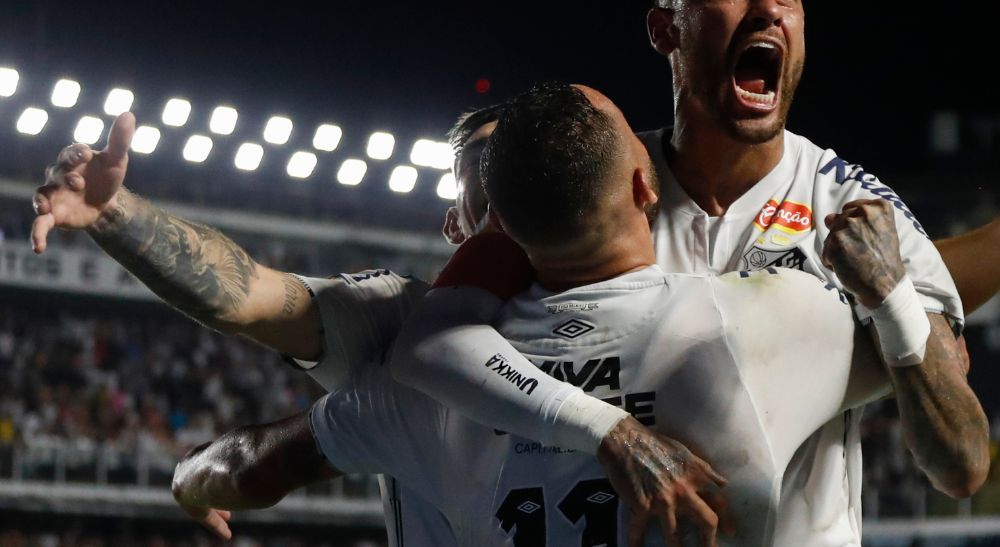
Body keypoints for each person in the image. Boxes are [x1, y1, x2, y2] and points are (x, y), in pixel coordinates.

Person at [380, 0, 1000, 545]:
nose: (767, 8)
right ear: (666, 31)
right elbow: (439, 347)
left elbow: (962, 463)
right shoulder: (594, 186)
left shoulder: (853, 204)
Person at [174, 82, 905, 546]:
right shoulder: (761, 321)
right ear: (646, 189)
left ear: (483, 228)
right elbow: (931, 367)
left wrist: (191, 481)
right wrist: (907, 295)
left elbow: (250, 462)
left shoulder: (413, 379)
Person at [28, 108, 719, 544]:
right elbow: (247, 297)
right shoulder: (399, 322)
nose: (522, 187)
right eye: (496, 179)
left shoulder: (697, 316)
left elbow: (254, 462)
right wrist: (116, 214)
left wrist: (196, 477)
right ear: (456, 224)